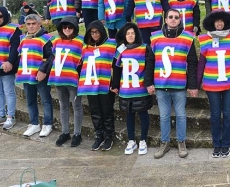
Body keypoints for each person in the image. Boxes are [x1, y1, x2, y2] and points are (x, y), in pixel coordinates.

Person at [147, 8, 198, 159]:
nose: (173, 19)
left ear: (180, 20)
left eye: (176, 17)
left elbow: (192, 63)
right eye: (170, 17)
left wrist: (193, 85)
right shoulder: (155, 37)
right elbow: (150, 61)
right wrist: (148, 82)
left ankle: (181, 142)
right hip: (161, 85)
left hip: (179, 85)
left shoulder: (188, 38)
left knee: (181, 115)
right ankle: (165, 142)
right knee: (164, 116)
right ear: (166, 19)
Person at [197, 10, 230, 158]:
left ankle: (225, 144)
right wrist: (196, 83)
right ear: (212, 23)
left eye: (221, 21)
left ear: (225, 22)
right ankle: (216, 144)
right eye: (216, 21)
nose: (219, 24)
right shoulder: (205, 39)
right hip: (212, 84)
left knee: (228, 113)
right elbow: (201, 63)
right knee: (214, 114)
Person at [111, 22, 153, 156]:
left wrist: (148, 83)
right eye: (128, 33)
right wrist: (115, 85)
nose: (130, 35)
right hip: (126, 89)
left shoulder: (144, 48)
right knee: (129, 115)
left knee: (143, 114)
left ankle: (143, 140)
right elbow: (116, 68)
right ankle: (131, 140)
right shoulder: (120, 50)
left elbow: (149, 68)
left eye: (132, 33)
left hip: (140, 88)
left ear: (137, 34)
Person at [78, 20, 117, 151]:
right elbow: (81, 65)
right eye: (92, 32)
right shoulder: (86, 47)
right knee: (95, 111)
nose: (94, 35)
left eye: (97, 32)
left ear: (102, 31)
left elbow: (117, 63)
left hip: (106, 84)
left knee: (107, 111)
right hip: (90, 84)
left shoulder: (112, 44)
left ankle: (109, 136)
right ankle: (99, 135)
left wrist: (115, 82)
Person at [16, 13, 54, 138]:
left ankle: (47, 124)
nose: (31, 26)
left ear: (39, 24)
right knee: (30, 101)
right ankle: (34, 123)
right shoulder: (23, 38)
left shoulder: (46, 38)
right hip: (26, 75)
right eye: (28, 24)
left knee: (45, 100)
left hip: (40, 76)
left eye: (34, 24)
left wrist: (42, 71)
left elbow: (50, 57)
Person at [49, 15, 84, 147]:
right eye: (64, 26)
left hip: (74, 79)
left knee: (77, 106)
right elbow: (53, 57)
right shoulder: (56, 41)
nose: (67, 29)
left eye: (70, 26)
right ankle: (65, 132)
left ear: (75, 28)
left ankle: (77, 133)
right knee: (63, 106)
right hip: (59, 78)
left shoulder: (81, 41)